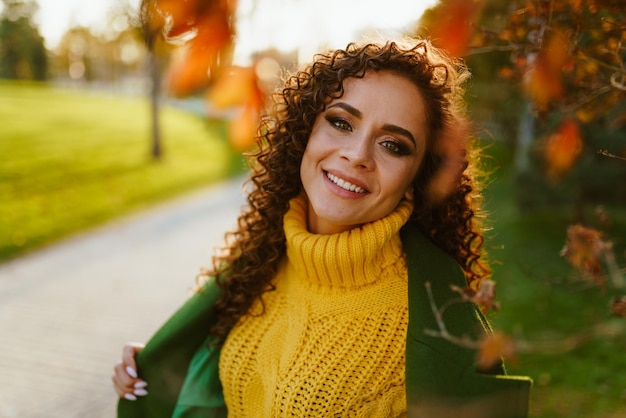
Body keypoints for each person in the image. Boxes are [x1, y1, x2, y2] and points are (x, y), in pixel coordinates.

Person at [113, 38, 532, 417]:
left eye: (393, 145)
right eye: (341, 122)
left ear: (418, 177)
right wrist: (163, 366)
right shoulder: (262, 256)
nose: (357, 154)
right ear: (305, 132)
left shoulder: (433, 324)